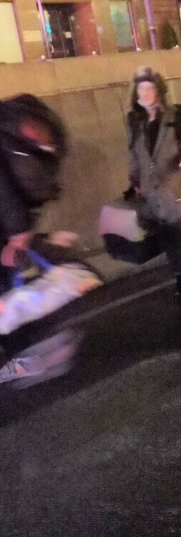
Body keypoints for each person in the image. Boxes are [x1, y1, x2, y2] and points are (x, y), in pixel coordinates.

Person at [0, 94, 81, 387]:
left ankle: (30, 352)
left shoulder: (13, 128)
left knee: (15, 286)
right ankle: (27, 352)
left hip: (12, 226)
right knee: (13, 285)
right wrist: (18, 230)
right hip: (10, 226)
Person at [126, 67, 181, 300]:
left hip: (178, 188)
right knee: (168, 238)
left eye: (150, 88)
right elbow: (135, 156)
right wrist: (134, 181)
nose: (145, 93)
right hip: (153, 192)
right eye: (141, 89)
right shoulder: (136, 123)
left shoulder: (176, 120)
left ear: (159, 92)